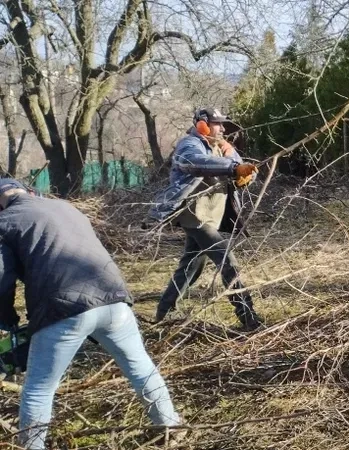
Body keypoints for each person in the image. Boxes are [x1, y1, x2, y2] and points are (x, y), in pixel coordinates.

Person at [0, 180, 182, 448]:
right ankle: (170, 426)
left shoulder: (6, 221)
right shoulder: (65, 207)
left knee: (39, 389)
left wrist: (8, 322)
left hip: (64, 308)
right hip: (114, 297)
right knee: (141, 368)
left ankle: (31, 446)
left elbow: (2, 279)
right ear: (29, 192)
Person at [148, 108, 262, 329]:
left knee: (191, 266)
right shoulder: (189, 145)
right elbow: (197, 163)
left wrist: (244, 173)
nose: (222, 129)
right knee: (228, 261)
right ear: (202, 125)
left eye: (222, 125)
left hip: (211, 215)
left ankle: (163, 313)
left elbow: (243, 169)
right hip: (194, 215)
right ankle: (248, 316)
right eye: (217, 124)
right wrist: (233, 166)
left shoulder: (222, 147)